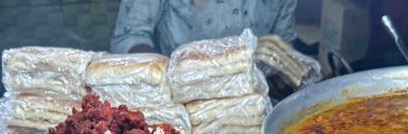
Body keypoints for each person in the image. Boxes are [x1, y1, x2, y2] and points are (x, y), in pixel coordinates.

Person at [111, 0, 297, 55]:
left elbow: (284, 44)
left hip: (257, 106)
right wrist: (170, 72)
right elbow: (128, 38)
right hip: (184, 104)